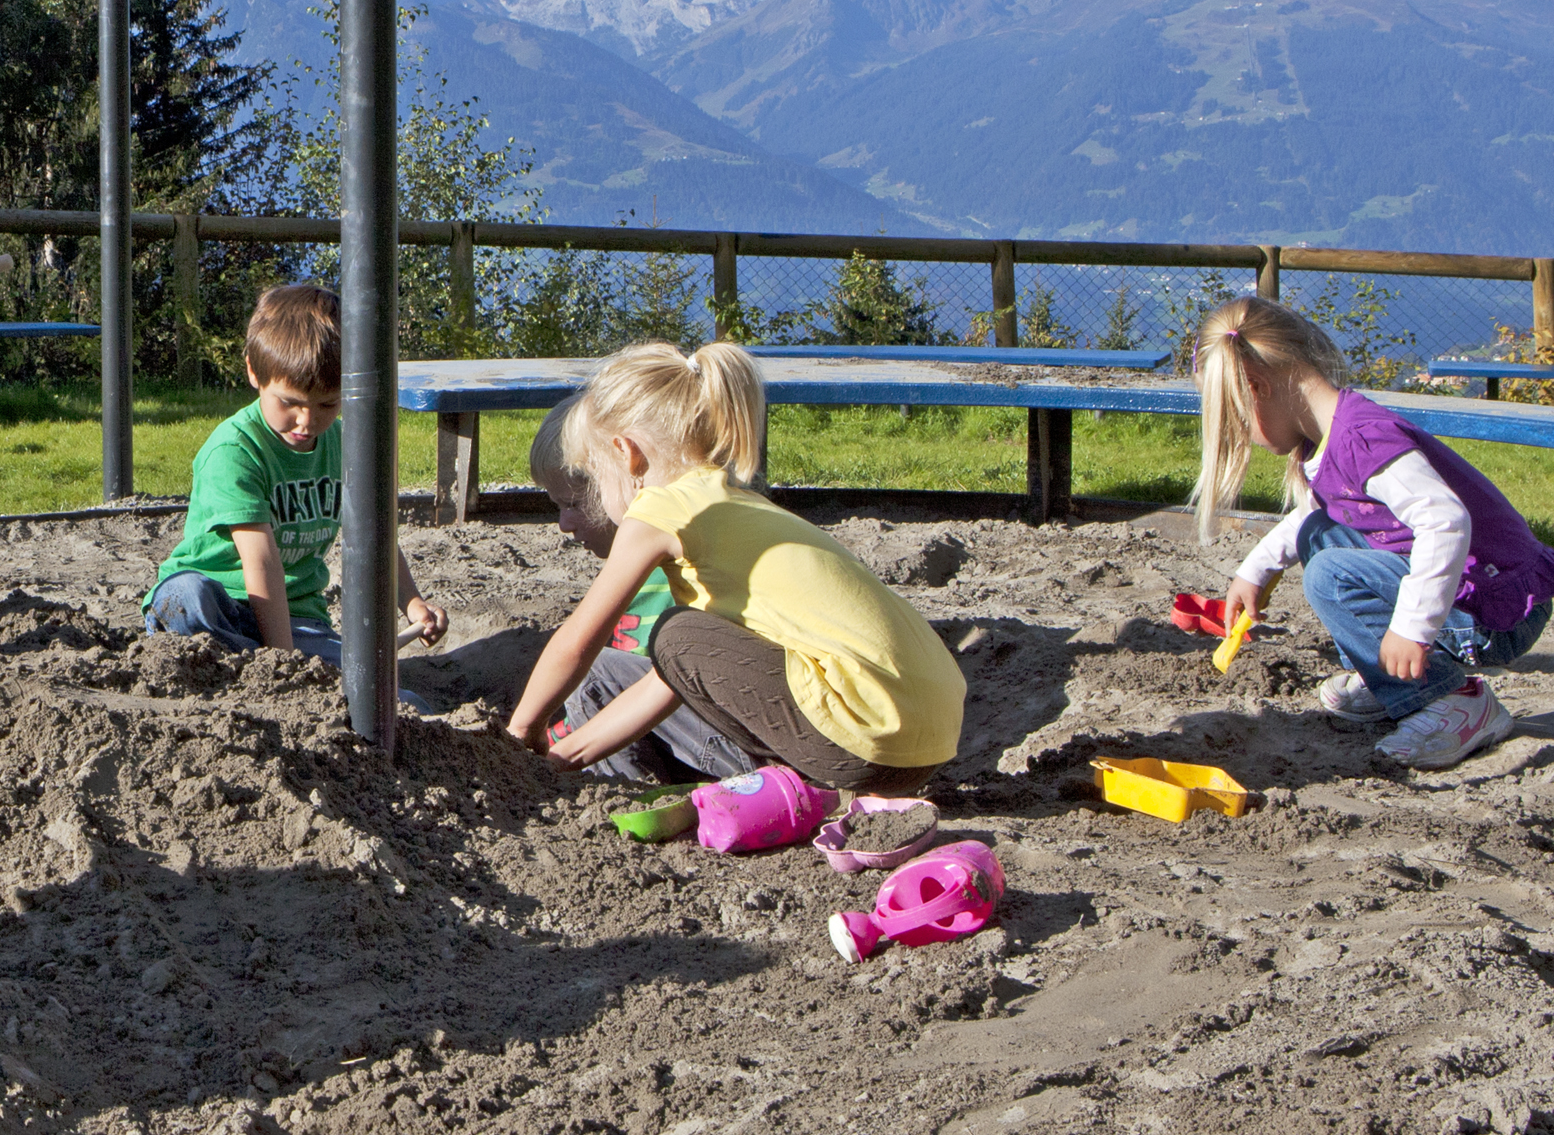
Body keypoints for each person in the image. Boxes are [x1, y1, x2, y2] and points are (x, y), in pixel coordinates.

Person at [509, 341, 966, 794]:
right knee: (674, 643)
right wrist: (560, 759)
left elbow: (577, 640)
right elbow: (668, 684)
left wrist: (520, 734)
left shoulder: (662, 509)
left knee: (673, 631)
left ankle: (780, 786)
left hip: (860, 740)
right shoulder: (738, 505)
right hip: (919, 747)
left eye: (594, 476)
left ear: (627, 454)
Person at [1201, 294, 1554, 770]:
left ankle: (1457, 700)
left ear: (1256, 387)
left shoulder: (1361, 438)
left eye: (1238, 419)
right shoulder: (1332, 435)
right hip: (1469, 592)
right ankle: (1383, 677)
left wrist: (1410, 629)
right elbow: (1314, 514)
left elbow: (1446, 520)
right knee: (1319, 535)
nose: (1244, 434)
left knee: (1329, 574)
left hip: (1497, 609)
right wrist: (1254, 572)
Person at [143, 283, 444, 669]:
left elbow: (376, 533)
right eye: (290, 402)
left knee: (391, 701)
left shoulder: (346, 446)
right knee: (186, 594)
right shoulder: (234, 450)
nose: (306, 420)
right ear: (254, 372)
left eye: (327, 404)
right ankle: (243, 666)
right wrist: (282, 666)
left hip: (297, 618)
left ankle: (248, 666)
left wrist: (413, 603)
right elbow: (261, 560)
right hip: (219, 609)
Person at [505, 393, 746, 783]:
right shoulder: (712, 519)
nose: (564, 524)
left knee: (595, 673)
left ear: (627, 473)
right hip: (731, 731)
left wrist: (527, 739)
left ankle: (625, 799)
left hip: (739, 749)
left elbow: (598, 666)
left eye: (574, 503)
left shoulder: (664, 557)